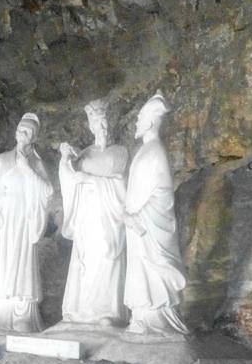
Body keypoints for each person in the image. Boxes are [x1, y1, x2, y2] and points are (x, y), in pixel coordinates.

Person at [0, 112, 52, 331]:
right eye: (20, 129)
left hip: (24, 221)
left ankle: (23, 313)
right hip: (3, 221)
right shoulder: (0, 161)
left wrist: (27, 170)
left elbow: (47, 193)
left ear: (34, 137)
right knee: (2, 262)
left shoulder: (36, 164)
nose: (22, 134)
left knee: (22, 262)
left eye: (28, 131)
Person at [58, 99, 128, 326]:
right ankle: (83, 311)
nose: (102, 127)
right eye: (97, 123)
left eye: (105, 122)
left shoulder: (120, 152)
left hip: (109, 213)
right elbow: (71, 179)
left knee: (106, 255)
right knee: (86, 259)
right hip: (88, 214)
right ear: (91, 126)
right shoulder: (85, 154)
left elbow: (119, 182)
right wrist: (65, 160)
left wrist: (89, 179)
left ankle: (107, 312)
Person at [123, 92, 188, 336]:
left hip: (148, 225)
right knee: (140, 272)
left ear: (150, 122)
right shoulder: (146, 150)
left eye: (139, 118)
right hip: (137, 225)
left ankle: (158, 319)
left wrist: (137, 217)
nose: (136, 123)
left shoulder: (155, 152)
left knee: (152, 271)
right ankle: (143, 317)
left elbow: (162, 196)